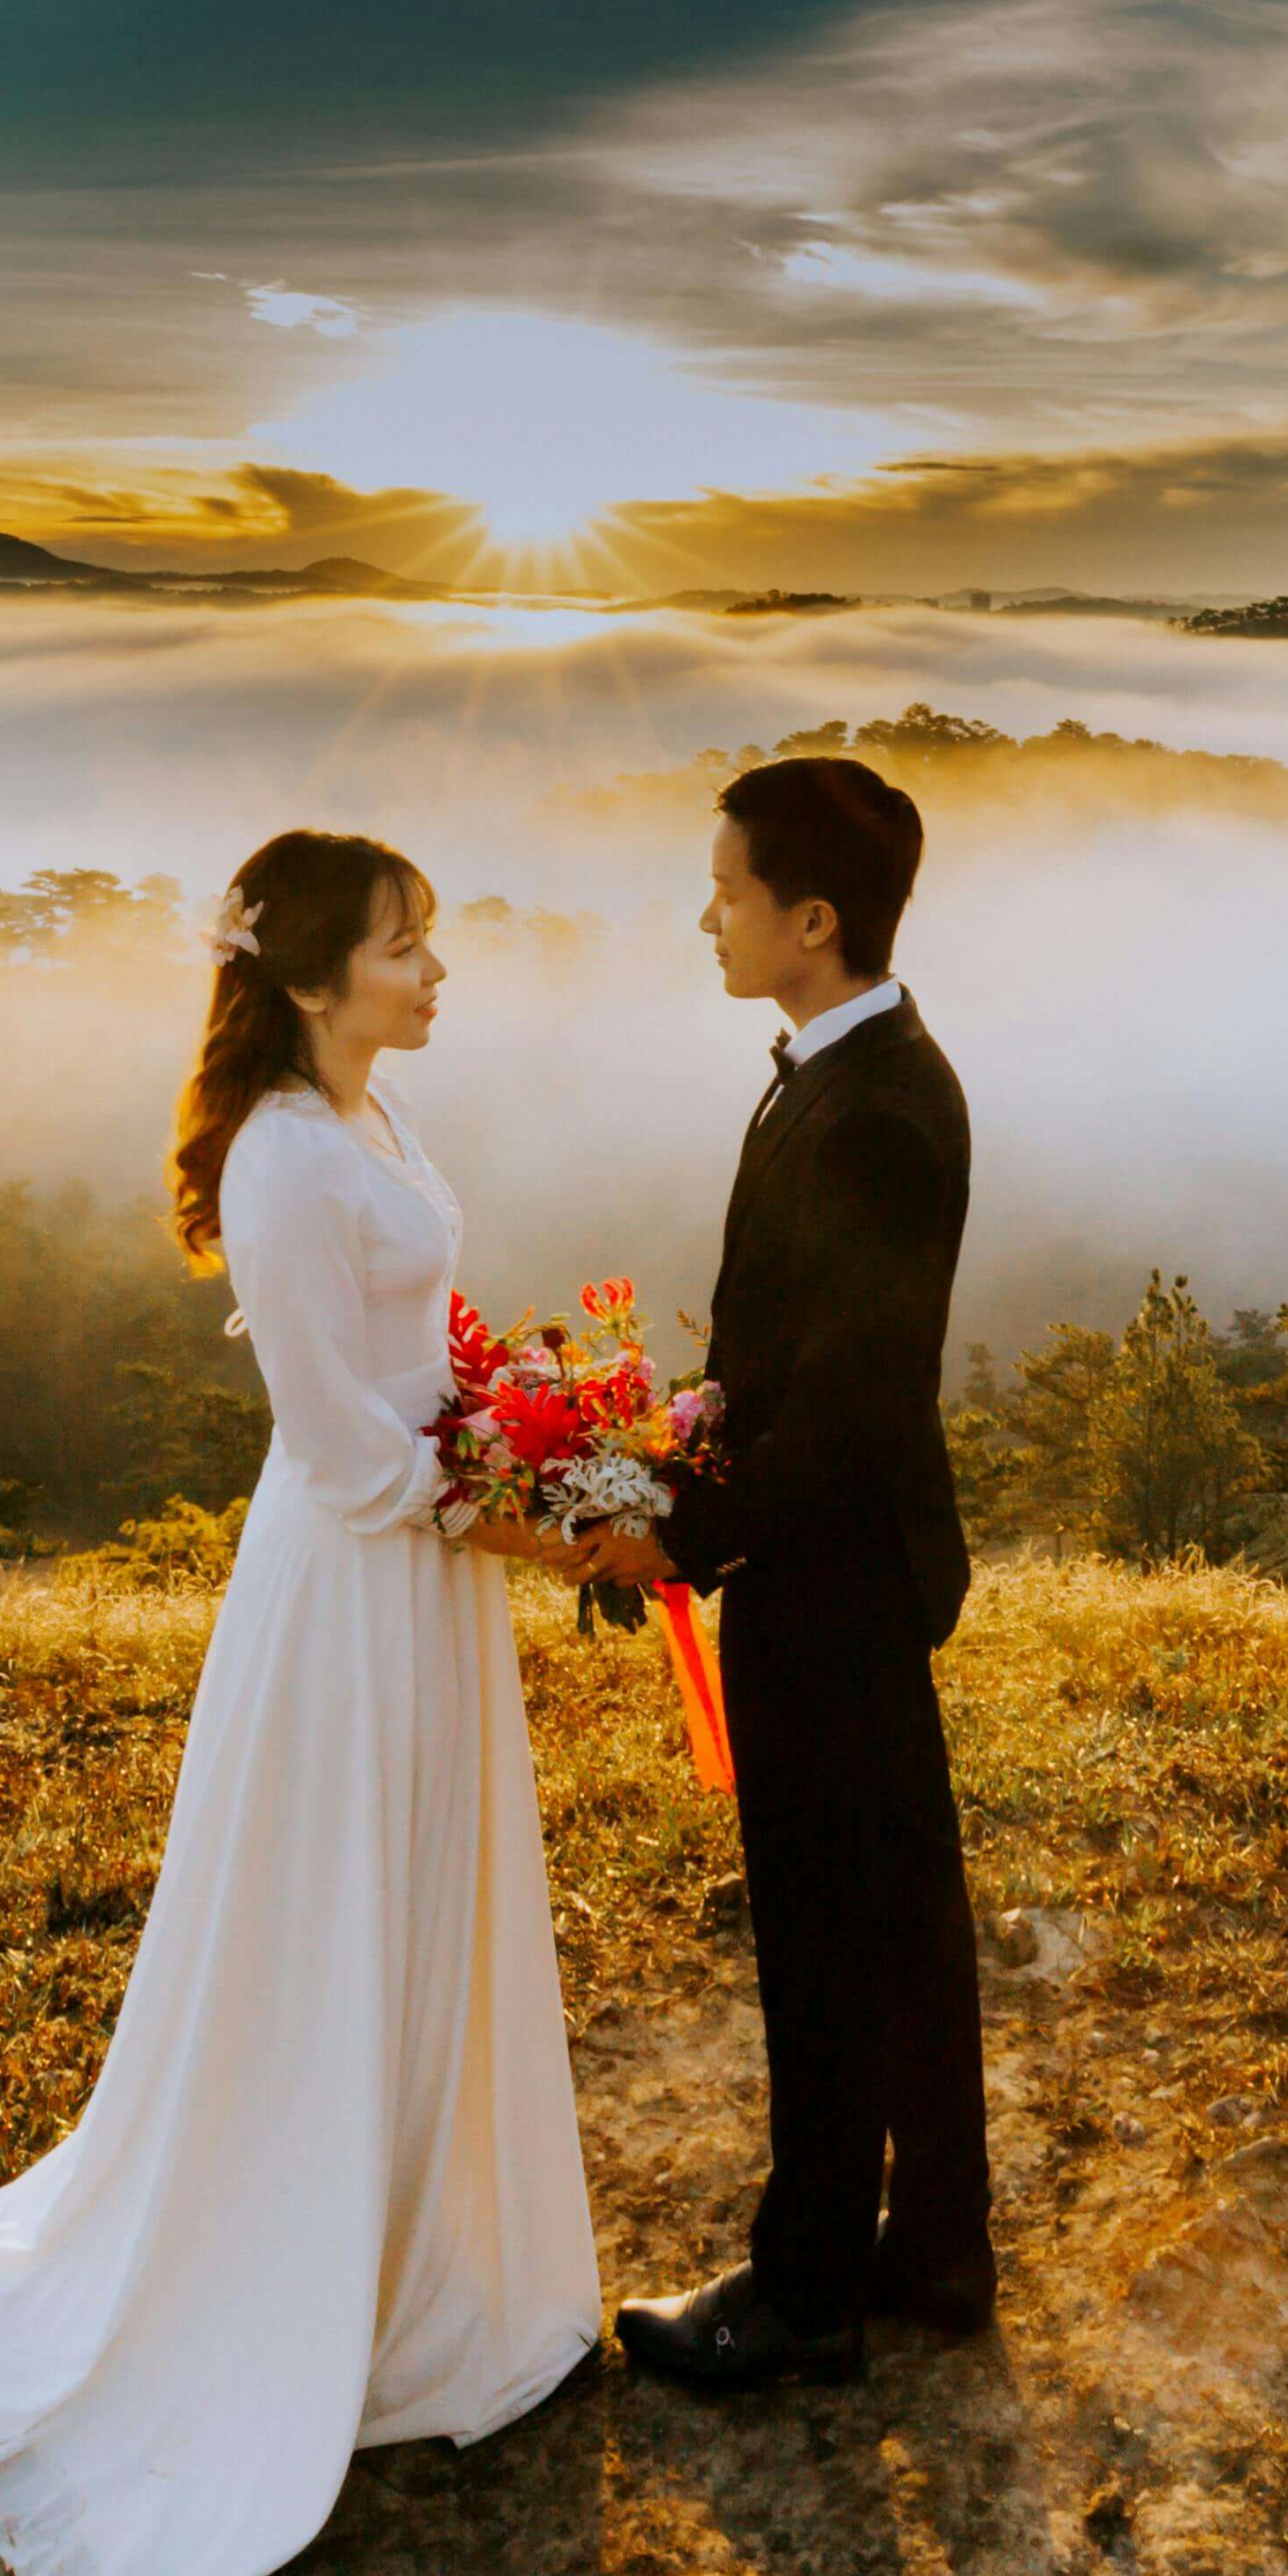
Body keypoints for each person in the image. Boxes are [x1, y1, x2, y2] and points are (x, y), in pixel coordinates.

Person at [0, 831, 598, 2576]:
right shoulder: (280, 1152)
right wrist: (542, 1520)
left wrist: (533, 1422)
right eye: (408, 950)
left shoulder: (370, 1119)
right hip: (358, 1580)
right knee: (330, 1901)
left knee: (425, 1889)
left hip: (424, 1565)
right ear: (314, 977)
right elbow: (345, 1446)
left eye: (431, 943)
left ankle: (424, 2260)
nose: (437, 975)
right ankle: (289, 2277)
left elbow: (418, 1356)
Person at [577, 756, 992, 2390]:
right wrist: (671, 1451)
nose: (708, 915)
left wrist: (681, 1535)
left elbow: (854, 1397)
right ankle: (937, 2255)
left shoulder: (878, 1107)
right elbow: (785, 1353)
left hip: (832, 1578)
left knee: (827, 1934)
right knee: (900, 1921)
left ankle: (809, 2287)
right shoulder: (839, 1066)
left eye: (731, 892)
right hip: (844, 1558)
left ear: (813, 920)